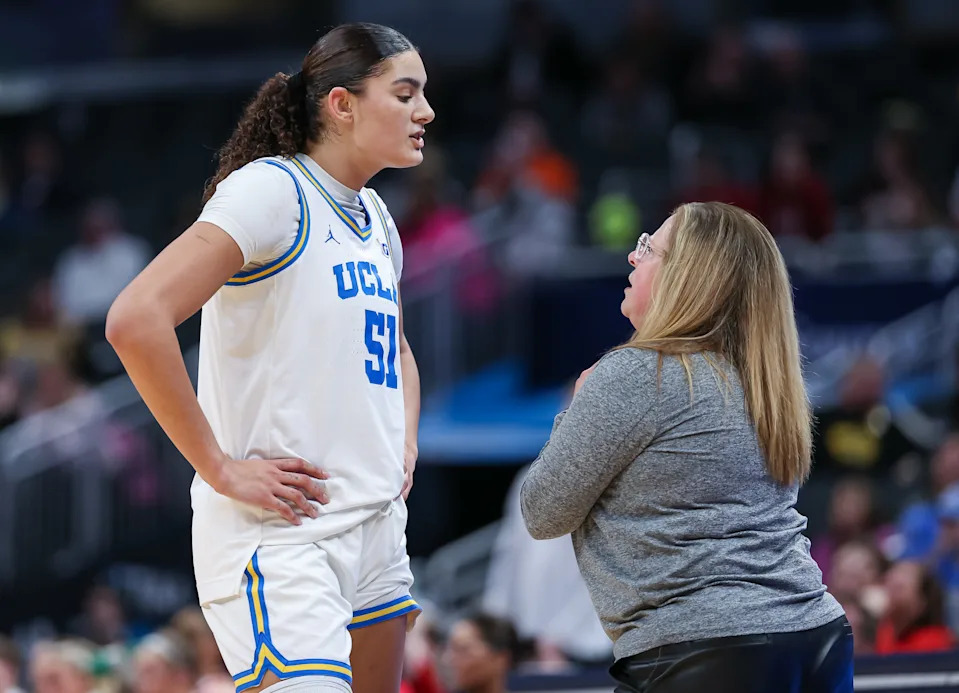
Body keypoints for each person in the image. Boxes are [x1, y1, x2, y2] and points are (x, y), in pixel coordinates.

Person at [106, 22, 434, 693]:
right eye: (404, 94)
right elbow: (136, 319)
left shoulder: (376, 216)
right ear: (341, 104)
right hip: (283, 540)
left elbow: (396, 347)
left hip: (375, 526)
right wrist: (219, 467)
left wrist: (402, 441)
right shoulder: (273, 192)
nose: (424, 111)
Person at [520, 202, 853, 692]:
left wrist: (576, 404)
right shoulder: (763, 380)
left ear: (688, 277)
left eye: (648, 248)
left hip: (706, 649)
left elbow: (542, 510)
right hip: (817, 637)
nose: (633, 259)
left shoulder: (635, 373)